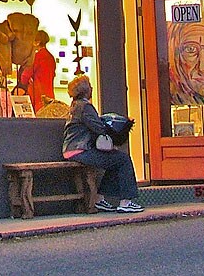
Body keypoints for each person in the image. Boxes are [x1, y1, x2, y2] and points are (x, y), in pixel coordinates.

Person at [61, 74, 144, 213]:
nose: (92, 89)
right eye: (90, 87)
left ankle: (100, 200)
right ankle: (126, 202)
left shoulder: (75, 106)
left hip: (72, 150)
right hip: (81, 150)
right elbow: (98, 127)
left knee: (114, 162)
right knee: (123, 159)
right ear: (87, 91)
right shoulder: (85, 106)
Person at [18, 30, 57, 112]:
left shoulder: (37, 56)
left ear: (37, 42)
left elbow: (24, 77)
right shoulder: (51, 57)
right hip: (49, 94)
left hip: (37, 95)